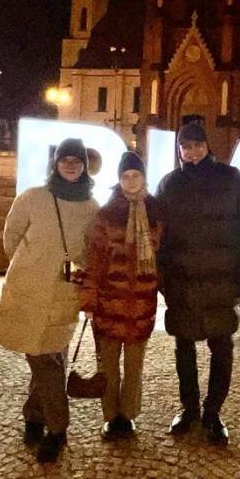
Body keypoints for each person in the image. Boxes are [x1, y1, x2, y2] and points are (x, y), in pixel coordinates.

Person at [0, 138, 99, 463]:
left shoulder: (92, 207)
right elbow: (11, 236)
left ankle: (48, 424)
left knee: (50, 358)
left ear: (84, 166)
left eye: (76, 160)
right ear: (55, 163)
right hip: (26, 290)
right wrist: (28, 266)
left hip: (63, 293)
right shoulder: (33, 197)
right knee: (41, 356)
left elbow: (91, 252)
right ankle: (46, 421)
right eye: (65, 159)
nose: (70, 165)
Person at [157, 121, 240, 446]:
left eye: (197, 146)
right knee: (183, 347)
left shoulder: (230, 178)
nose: (192, 152)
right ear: (179, 150)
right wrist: (163, 275)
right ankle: (189, 408)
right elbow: (158, 233)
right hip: (183, 281)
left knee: (222, 347)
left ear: (207, 146)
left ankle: (213, 412)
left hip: (221, 279)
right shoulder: (170, 183)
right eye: (186, 147)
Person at [79, 151, 163, 440]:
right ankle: (110, 416)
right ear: (119, 179)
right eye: (125, 176)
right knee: (108, 365)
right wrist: (89, 300)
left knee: (135, 366)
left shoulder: (155, 212)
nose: (130, 181)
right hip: (109, 301)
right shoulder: (106, 214)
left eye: (135, 175)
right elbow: (95, 259)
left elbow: (162, 256)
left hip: (142, 302)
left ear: (143, 177)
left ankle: (128, 415)